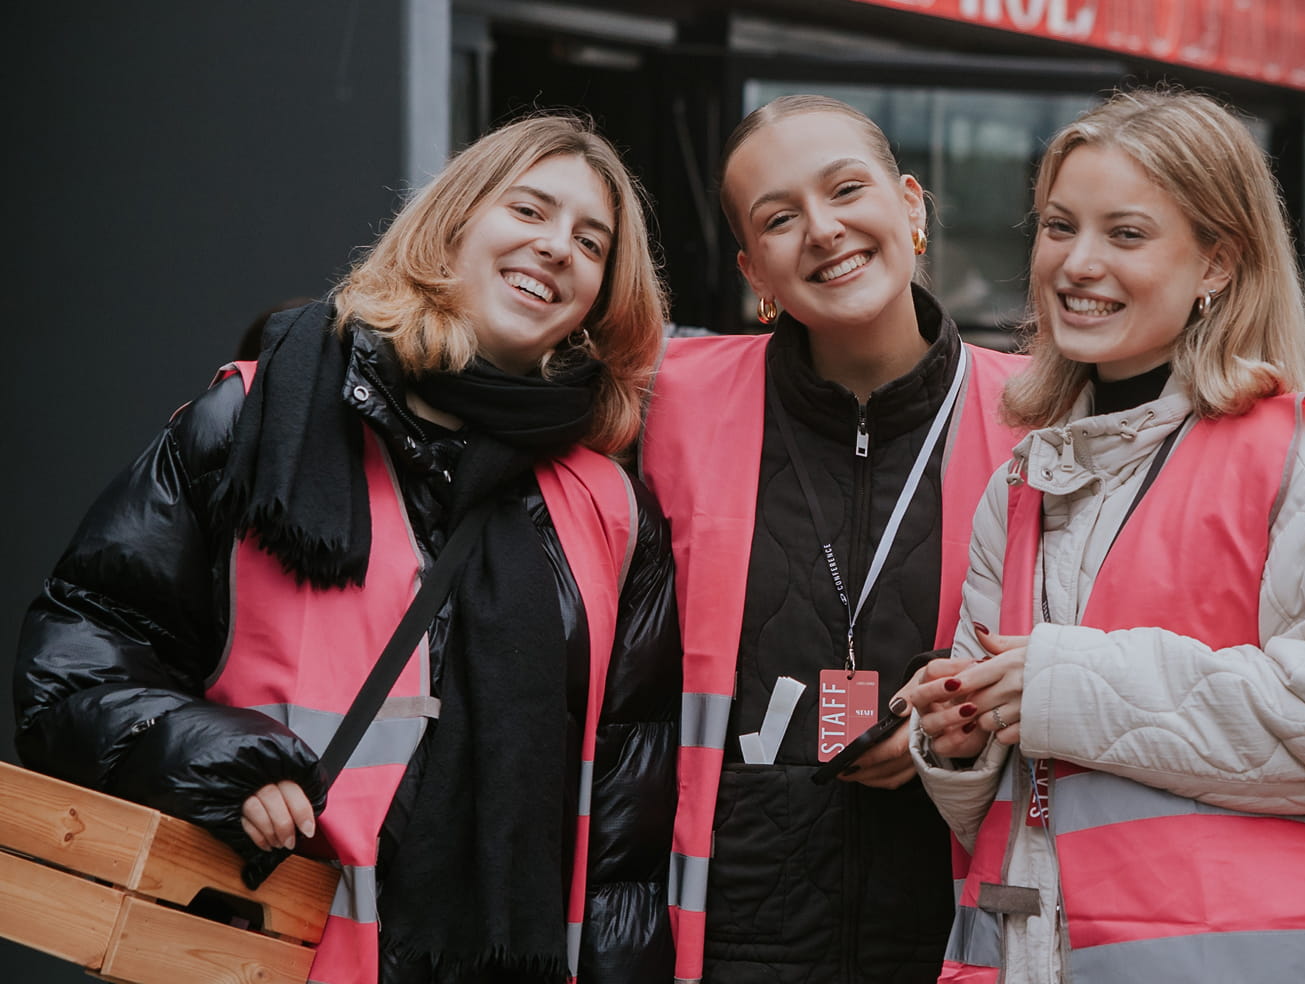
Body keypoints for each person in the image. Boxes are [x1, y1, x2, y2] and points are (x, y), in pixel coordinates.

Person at [13, 113, 681, 984]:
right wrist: (212, 756)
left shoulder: (610, 509)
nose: (557, 247)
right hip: (277, 955)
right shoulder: (256, 420)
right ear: (453, 224)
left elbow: (623, 840)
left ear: (599, 298)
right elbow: (76, 662)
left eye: (591, 242)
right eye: (528, 211)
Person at [906, 87, 1305, 983]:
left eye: (1126, 234)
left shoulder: (1291, 463)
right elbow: (1028, 798)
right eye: (1058, 225)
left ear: (1217, 265)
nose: (1077, 262)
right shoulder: (1023, 485)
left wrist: (1058, 682)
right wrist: (961, 742)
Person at [640, 94, 1027, 984]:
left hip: (952, 936)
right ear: (753, 270)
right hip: (730, 936)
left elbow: (1104, 649)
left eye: (846, 188)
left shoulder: (1037, 415)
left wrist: (961, 713)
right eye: (779, 218)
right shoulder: (667, 402)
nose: (823, 229)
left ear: (912, 206)